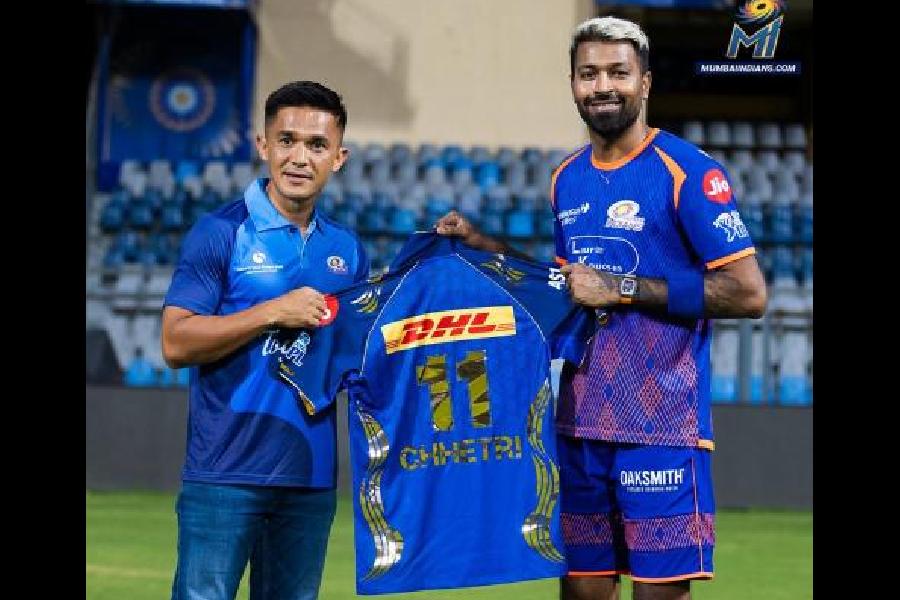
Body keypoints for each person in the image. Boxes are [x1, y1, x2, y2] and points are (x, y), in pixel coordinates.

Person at [436, 16, 767, 600]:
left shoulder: (688, 172)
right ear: (572, 84)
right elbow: (571, 286)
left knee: (658, 593)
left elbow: (748, 292)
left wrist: (623, 288)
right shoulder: (567, 178)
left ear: (645, 83)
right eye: (589, 74)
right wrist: (491, 250)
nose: (603, 85)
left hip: (662, 428)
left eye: (618, 72)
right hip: (579, 424)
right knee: (581, 593)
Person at [161, 80, 369, 600]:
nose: (300, 157)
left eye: (316, 146)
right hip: (224, 474)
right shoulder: (220, 232)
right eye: (288, 140)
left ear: (339, 158)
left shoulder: (348, 249)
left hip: (311, 477)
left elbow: (357, 357)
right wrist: (272, 311)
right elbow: (175, 342)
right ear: (263, 146)